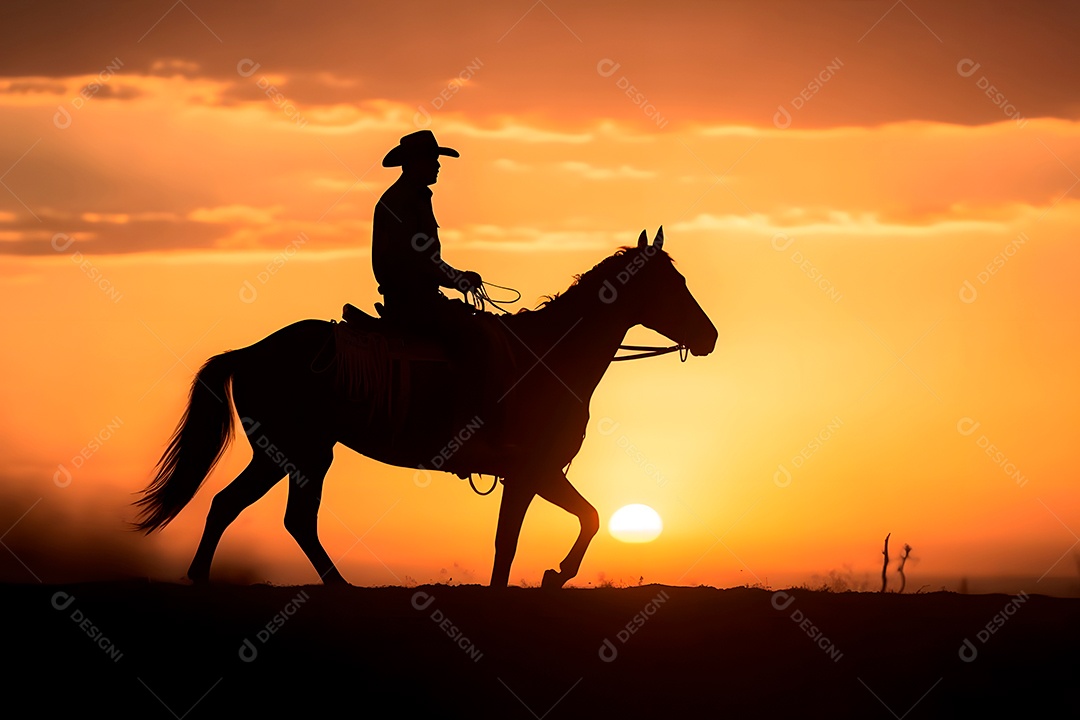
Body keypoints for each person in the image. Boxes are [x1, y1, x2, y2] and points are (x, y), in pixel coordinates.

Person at [372, 130, 481, 327]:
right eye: (432, 159)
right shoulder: (403, 202)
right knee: (475, 333)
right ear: (414, 163)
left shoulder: (406, 198)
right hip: (413, 304)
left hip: (413, 300)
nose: (438, 165)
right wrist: (459, 279)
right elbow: (419, 261)